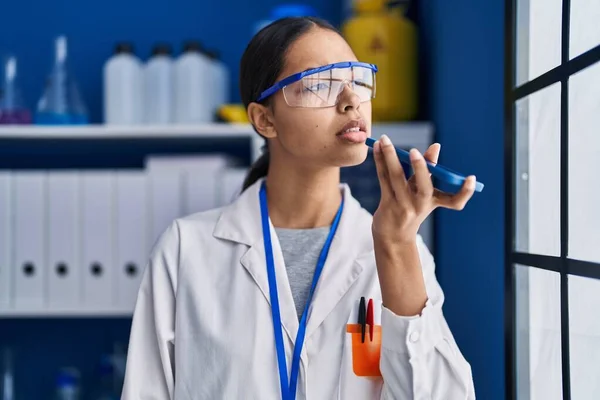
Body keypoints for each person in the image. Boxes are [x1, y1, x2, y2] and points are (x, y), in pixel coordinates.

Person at [121, 16, 477, 400]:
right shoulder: (184, 251)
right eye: (319, 84)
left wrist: (395, 246)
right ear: (265, 119)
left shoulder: (401, 251)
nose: (350, 100)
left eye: (357, 79)